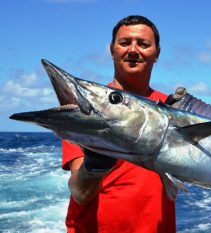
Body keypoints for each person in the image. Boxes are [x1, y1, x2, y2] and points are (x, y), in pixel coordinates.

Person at [61, 15, 176, 233]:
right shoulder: (85, 112)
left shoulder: (173, 109)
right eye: (125, 43)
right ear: (112, 49)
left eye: (143, 44)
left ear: (157, 53)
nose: (133, 50)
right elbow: (80, 192)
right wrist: (95, 165)